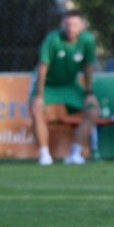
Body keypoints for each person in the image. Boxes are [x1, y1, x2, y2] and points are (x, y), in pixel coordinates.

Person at [28, 10, 99, 165]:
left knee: (93, 110)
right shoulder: (52, 39)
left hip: (69, 84)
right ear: (61, 25)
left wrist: (89, 92)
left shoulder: (88, 40)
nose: (70, 28)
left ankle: (75, 154)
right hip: (47, 84)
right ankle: (44, 155)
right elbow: (42, 67)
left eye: (74, 25)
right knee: (36, 110)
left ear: (82, 26)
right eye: (67, 24)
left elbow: (88, 67)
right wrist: (39, 95)